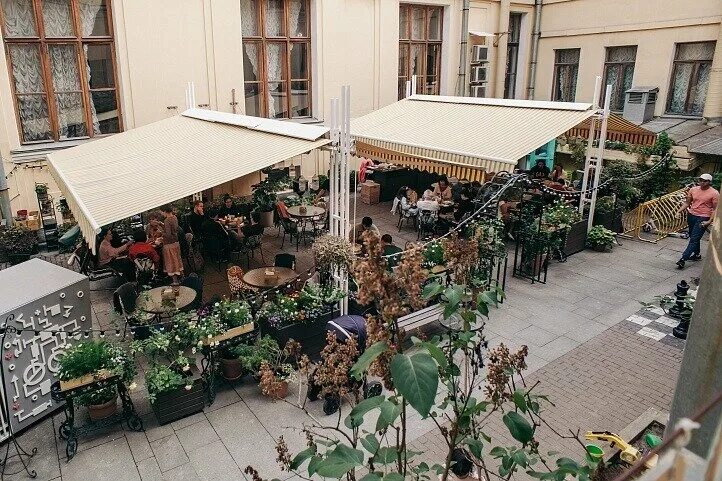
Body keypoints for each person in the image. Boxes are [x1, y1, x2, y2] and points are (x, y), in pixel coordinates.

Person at [676, 173, 719, 268]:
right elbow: (687, 203)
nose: (702, 182)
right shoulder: (693, 189)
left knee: (694, 239)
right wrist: (678, 211)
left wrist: (709, 221)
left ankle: (683, 259)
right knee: (693, 236)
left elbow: (715, 209)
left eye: (705, 181)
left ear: (709, 182)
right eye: (701, 180)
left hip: (703, 217)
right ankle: (697, 255)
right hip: (692, 215)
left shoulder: (714, 193)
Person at [160, 204, 184, 284]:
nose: (161, 214)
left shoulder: (167, 220)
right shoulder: (174, 217)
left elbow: (168, 235)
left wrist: (162, 233)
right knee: (177, 260)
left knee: (171, 262)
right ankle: (183, 278)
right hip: (176, 243)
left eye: (161, 212)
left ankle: (175, 281)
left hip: (169, 244)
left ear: (164, 211)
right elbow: (174, 230)